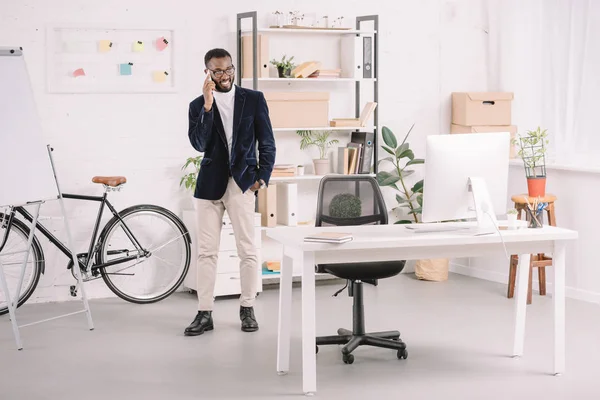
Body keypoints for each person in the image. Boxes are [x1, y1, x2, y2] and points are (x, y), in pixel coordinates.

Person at [185, 48, 276, 336]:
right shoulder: (197, 105)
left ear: (233, 68)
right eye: (218, 71)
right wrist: (209, 106)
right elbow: (199, 144)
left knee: (248, 250)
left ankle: (247, 307)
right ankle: (204, 312)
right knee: (206, 253)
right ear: (208, 73)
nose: (224, 76)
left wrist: (261, 178)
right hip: (209, 186)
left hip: (242, 183)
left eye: (228, 70)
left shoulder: (253, 99)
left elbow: (267, 143)